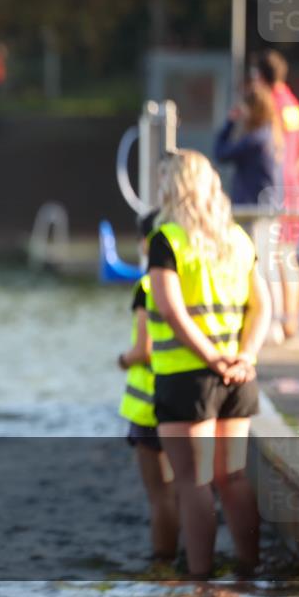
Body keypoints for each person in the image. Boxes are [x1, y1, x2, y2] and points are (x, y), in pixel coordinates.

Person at [147, 149, 271, 578]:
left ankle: (199, 578)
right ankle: (249, 568)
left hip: (187, 379)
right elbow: (262, 307)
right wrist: (245, 358)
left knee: (193, 481)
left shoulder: (167, 239)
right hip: (236, 378)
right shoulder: (237, 238)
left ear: (173, 186)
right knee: (232, 476)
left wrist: (210, 358)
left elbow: (171, 311)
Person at [117, 211, 178, 563]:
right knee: (188, 488)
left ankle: (163, 568)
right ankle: (194, 563)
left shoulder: (146, 286)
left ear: (146, 242)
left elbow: (144, 349)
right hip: (188, 397)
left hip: (149, 407)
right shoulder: (191, 277)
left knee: (160, 496)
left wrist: (122, 360)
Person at [250, 49, 299, 338]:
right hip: (295, 185)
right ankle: (292, 321)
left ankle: (279, 322)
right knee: (289, 255)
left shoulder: (269, 105)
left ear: (261, 76)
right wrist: (293, 171)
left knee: (274, 255)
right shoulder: (292, 103)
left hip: (275, 188)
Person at [215, 87, 283, 207]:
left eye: (244, 109)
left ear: (252, 111)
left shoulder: (255, 141)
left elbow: (220, 153)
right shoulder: (270, 135)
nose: (242, 114)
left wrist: (230, 123)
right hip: (267, 207)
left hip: (253, 212)